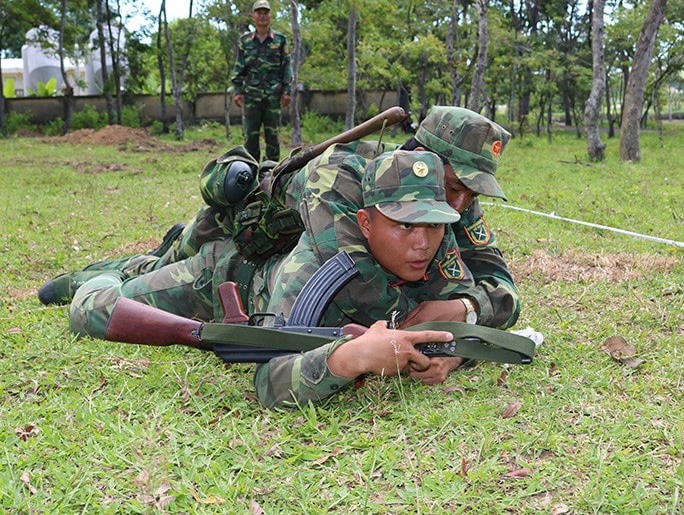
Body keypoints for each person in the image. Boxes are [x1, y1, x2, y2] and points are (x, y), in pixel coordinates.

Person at [40, 106, 520, 334]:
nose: (458, 207)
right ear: (420, 155)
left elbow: (501, 285)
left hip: (263, 268)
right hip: (234, 236)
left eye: (469, 192)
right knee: (143, 274)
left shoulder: (450, 200)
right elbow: (357, 284)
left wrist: (465, 309)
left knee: (150, 268)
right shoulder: (344, 176)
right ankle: (87, 278)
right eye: (456, 186)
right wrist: (440, 299)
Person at [69, 150, 479, 408]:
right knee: (95, 307)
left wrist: (455, 348)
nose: (423, 243)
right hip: (223, 278)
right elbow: (269, 382)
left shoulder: (433, 245)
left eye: (433, 225)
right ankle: (105, 272)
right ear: (365, 223)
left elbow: (481, 302)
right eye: (404, 227)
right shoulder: (316, 267)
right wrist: (353, 358)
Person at [232, 0, 292, 162]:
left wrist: (287, 91)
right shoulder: (245, 41)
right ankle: (250, 171)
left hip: (273, 96)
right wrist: (237, 91)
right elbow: (239, 67)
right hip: (251, 96)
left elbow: (286, 66)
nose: (263, 16)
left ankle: (270, 172)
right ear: (253, 16)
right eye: (259, 13)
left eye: (266, 13)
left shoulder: (280, 40)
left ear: (270, 16)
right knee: (250, 137)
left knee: (273, 136)